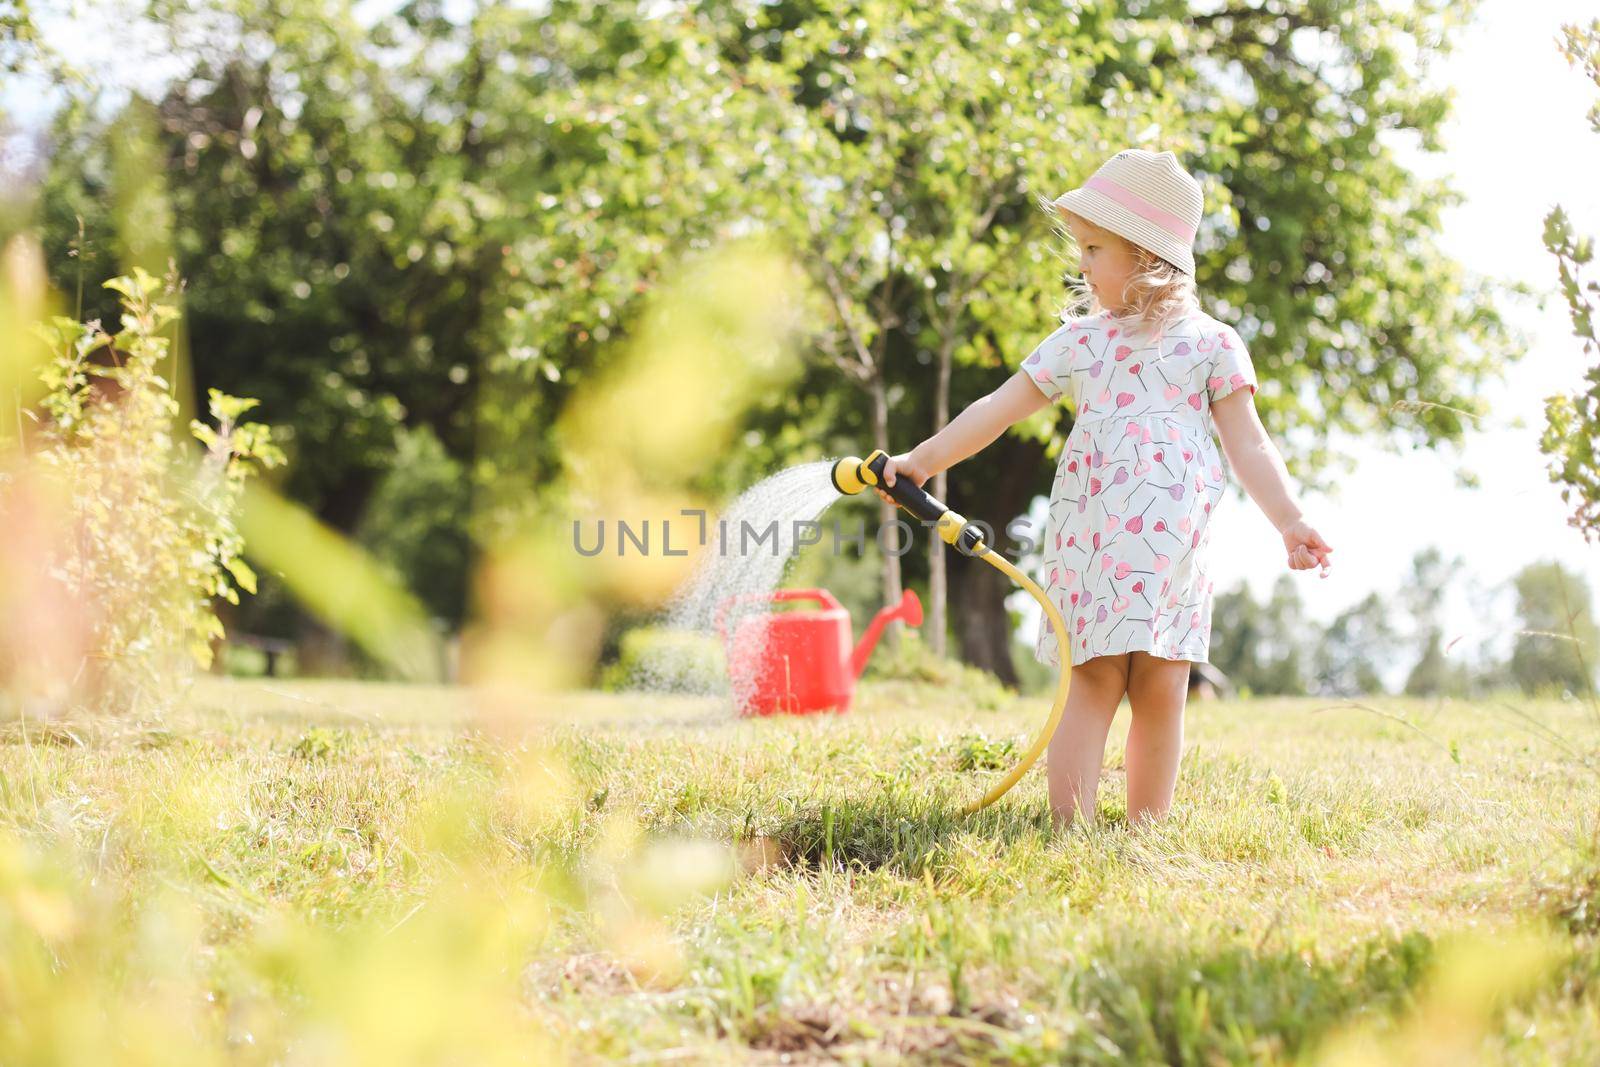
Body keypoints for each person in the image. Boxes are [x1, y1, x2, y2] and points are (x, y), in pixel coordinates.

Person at [872, 148, 1333, 828]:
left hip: (1171, 554)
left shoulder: (1212, 344)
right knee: (1092, 676)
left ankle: (1146, 828)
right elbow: (996, 410)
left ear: (1148, 257)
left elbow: (1250, 442)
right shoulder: (1081, 342)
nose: (1081, 265)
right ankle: (1072, 826)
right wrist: (925, 457)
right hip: (1094, 541)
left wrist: (1290, 519)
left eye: (1094, 248)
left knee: (1162, 683)